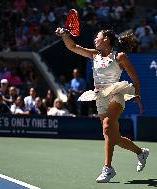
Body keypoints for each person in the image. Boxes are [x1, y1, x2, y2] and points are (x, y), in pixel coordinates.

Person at [55, 28, 149, 183]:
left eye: (97, 37)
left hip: (116, 93)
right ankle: (141, 152)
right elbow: (72, 47)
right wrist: (65, 35)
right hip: (100, 96)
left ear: (106, 39)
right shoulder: (94, 55)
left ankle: (108, 168)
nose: (95, 40)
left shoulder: (120, 57)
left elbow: (135, 77)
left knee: (107, 125)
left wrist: (137, 96)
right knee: (113, 137)